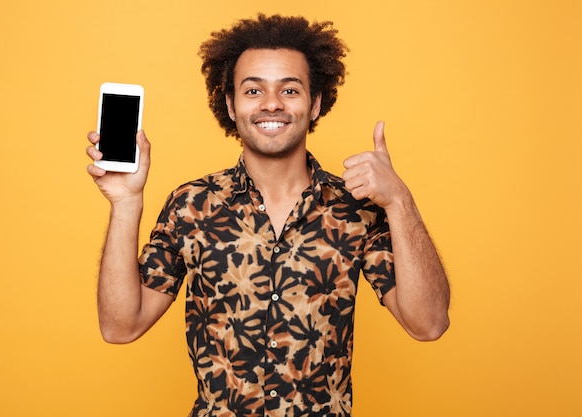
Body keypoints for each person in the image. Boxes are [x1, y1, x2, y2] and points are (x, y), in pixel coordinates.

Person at [86, 14, 450, 417]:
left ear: (314, 104)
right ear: (230, 104)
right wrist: (125, 203)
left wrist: (400, 200)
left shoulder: (356, 207)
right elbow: (120, 327)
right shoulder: (191, 205)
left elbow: (429, 324)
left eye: (289, 89)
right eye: (253, 90)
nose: (271, 103)